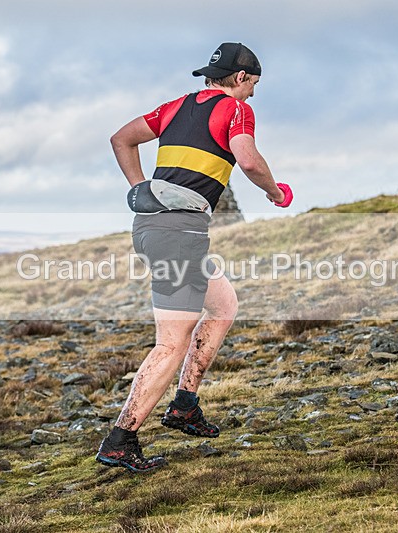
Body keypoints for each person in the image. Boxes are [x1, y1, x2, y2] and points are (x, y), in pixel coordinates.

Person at [96, 42, 293, 472]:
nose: (254, 94)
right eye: (254, 84)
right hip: (178, 235)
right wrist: (275, 192)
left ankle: (185, 404)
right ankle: (120, 440)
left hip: (159, 230)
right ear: (240, 78)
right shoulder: (235, 109)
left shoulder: (175, 107)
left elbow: (121, 139)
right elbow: (248, 160)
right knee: (170, 343)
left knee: (223, 306)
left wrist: (140, 190)